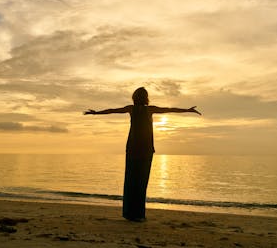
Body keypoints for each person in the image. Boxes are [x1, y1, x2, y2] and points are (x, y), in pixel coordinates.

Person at [84, 87, 201, 222]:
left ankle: (130, 214)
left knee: (131, 181)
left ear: (134, 98)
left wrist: (96, 113)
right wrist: (187, 110)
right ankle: (138, 214)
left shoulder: (132, 109)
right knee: (141, 182)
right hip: (145, 149)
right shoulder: (149, 109)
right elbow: (169, 109)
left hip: (133, 148)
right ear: (146, 98)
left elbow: (112, 111)